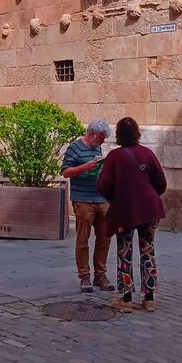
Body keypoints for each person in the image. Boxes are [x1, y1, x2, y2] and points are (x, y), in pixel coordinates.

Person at [96, 117, 167, 312]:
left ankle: (126, 298)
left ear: (118, 134)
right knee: (148, 251)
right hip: (149, 210)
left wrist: (117, 198)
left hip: (125, 211)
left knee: (124, 252)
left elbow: (103, 185)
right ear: (137, 133)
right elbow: (161, 182)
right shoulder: (147, 153)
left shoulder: (114, 157)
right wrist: (148, 196)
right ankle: (150, 297)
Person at [61, 119, 113, 293]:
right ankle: (84, 277)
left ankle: (101, 275)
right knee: (82, 239)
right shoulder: (74, 148)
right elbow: (66, 172)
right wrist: (84, 167)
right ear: (92, 134)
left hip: (101, 198)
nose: (103, 141)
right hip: (83, 200)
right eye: (102, 137)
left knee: (105, 238)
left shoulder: (97, 148)